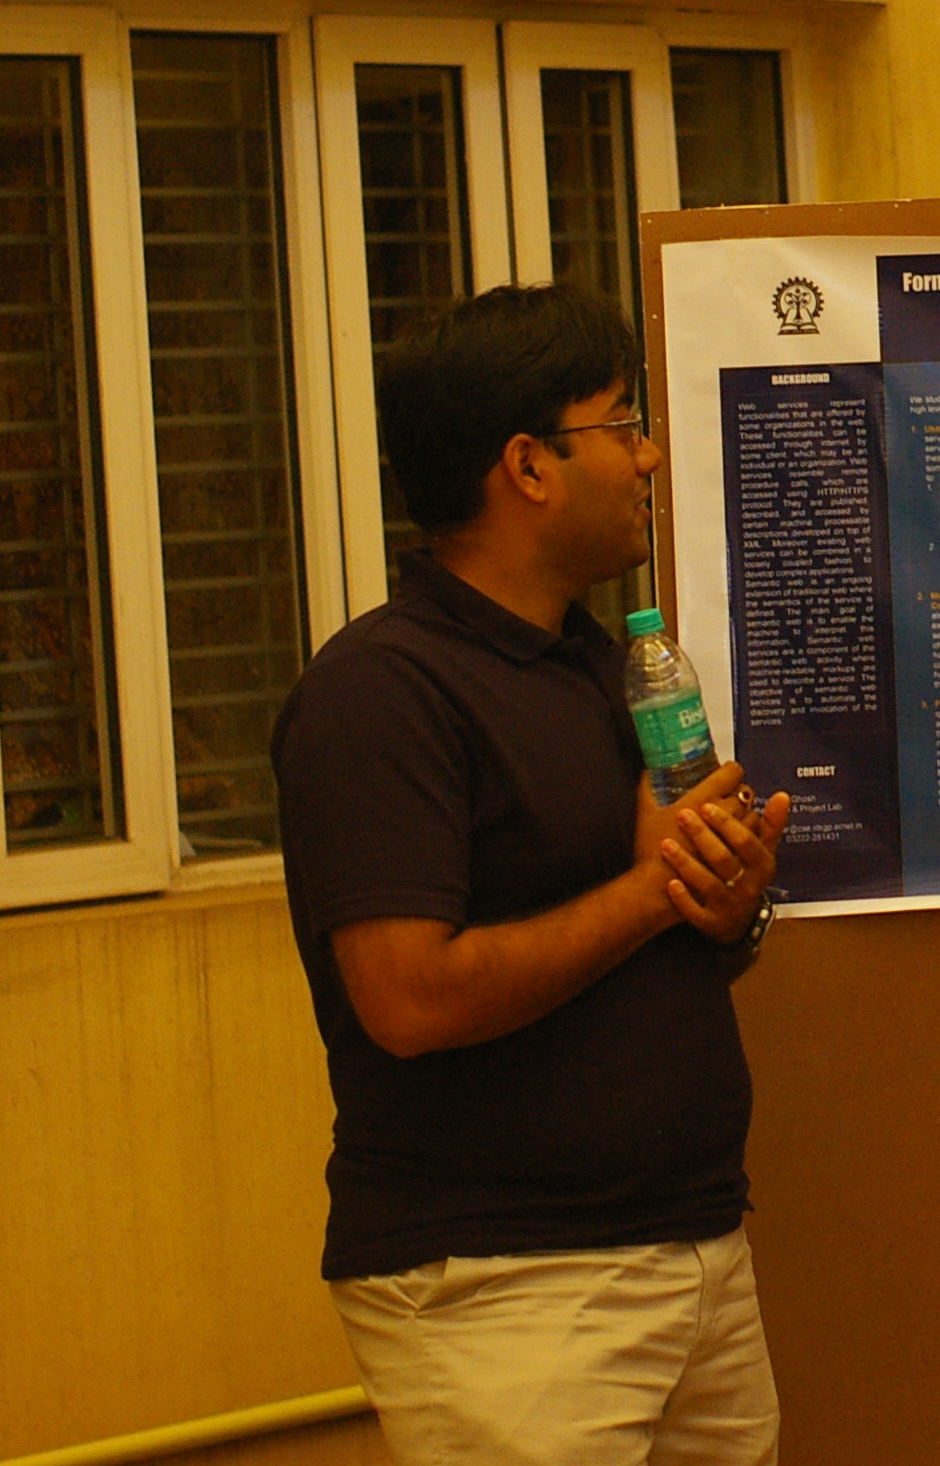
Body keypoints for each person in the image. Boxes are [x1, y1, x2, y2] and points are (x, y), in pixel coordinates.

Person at [273, 282, 792, 1465]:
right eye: (622, 422)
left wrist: (721, 904)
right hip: (503, 1285)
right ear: (528, 464)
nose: (647, 455)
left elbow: (661, 935)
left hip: (696, 1245)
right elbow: (408, 996)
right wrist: (650, 890)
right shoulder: (379, 693)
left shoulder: (607, 666)